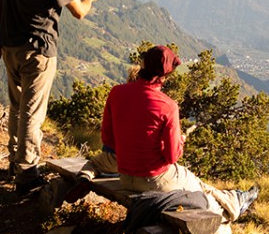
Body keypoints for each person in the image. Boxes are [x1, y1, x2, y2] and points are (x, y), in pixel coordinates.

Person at [0, 0, 109, 182]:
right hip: (39, 50)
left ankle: (14, 162)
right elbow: (80, 12)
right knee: (33, 112)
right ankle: (27, 171)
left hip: (9, 45)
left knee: (17, 107)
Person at [100, 45, 258, 221]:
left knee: (194, 182)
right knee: (198, 190)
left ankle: (235, 197)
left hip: (124, 175)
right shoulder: (167, 106)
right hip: (154, 179)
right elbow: (172, 156)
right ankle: (233, 206)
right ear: (166, 76)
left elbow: (108, 139)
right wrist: (180, 141)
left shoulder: (116, 93)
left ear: (143, 64)